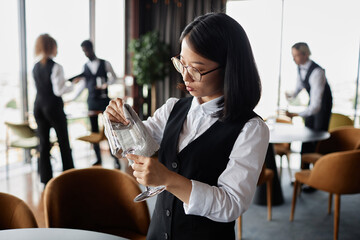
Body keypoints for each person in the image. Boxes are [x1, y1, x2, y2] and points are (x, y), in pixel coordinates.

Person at [105, 12, 269, 239]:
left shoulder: (251, 129)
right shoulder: (173, 108)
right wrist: (119, 120)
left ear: (229, 68)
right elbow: (138, 142)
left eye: (196, 69)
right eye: (181, 63)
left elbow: (232, 204)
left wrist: (168, 179)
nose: (185, 77)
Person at [32, 34, 75, 185]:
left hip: (38, 107)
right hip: (53, 107)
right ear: (52, 47)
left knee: (43, 144)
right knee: (63, 141)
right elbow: (59, 90)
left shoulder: (35, 67)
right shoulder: (56, 66)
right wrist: (73, 85)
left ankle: (46, 181)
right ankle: (69, 176)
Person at [74, 40, 121, 169]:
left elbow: (114, 77)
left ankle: (115, 158)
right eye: (83, 51)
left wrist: (107, 84)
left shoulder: (105, 63)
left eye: (87, 50)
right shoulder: (85, 67)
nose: (86, 53)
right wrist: (73, 97)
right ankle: (97, 158)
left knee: (110, 129)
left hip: (104, 100)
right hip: (91, 101)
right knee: (93, 130)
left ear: (91, 48)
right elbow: (83, 84)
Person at [286, 42, 333, 168]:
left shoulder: (317, 72)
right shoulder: (300, 68)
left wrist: (296, 114)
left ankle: (315, 177)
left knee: (317, 141)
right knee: (306, 137)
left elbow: (316, 106)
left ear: (305, 54)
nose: (293, 58)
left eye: (295, 55)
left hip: (321, 107)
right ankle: (303, 175)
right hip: (312, 106)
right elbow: (299, 87)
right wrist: (291, 96)